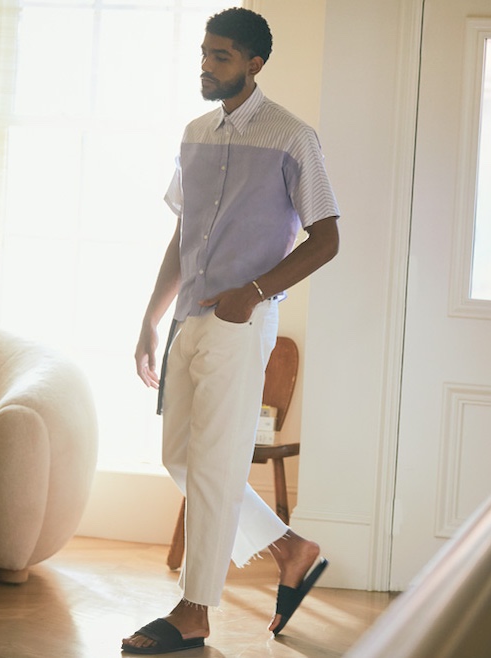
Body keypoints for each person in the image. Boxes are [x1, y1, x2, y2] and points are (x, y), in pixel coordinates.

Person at [122, 7, 340, 655]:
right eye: (203, 54)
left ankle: (194, 613)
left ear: (254, 64)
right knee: (183, 459)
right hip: (189, 317)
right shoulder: (195, 134)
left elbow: (327, 238)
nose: (206, 66)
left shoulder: (293, 137)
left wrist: (253, 293)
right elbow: (182, 236)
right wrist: (149, 317)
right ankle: (291, 548)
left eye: (220, 57)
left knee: (213, 465)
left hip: (241, 322)